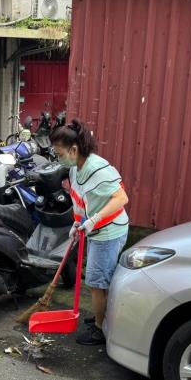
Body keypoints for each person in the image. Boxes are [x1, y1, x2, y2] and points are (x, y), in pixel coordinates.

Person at [51, 119, 129, 345]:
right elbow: (79, 201)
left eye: (59, 153)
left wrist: (94, 220)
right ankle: (100, 317)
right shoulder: (76, 169)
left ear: (74, 149)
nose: (58, 158)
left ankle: (99, 329)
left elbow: (121, 198)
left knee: (96, 282)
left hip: (109, 231)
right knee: (98, 280)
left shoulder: (98, 169)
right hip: (94, 230)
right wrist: (76, 223)